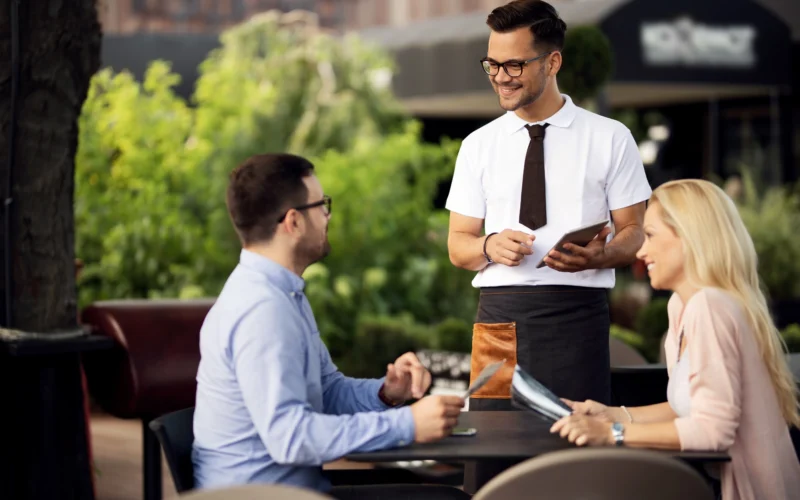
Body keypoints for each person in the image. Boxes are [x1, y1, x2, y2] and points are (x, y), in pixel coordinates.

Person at [192, 153, 469, 500]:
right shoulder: (261, 310)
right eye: (321, 205)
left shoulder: (282, 293)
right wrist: (407, 424)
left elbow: (326, 390)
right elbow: (290, 438)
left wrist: (385, 393)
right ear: (293, 222)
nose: (328, 215)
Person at [446, 1, 651, 417]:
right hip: (498, 316)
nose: (501, 78)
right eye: (492, 65)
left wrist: (601, 254)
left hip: (577, 318)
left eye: (515, 66)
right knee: (492, 448)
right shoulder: (477, 146)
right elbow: (457, 245)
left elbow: (636, 233)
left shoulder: (610, 137)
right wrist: (488, 246)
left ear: (552, 61)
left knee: (576, 447)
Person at [551, 179, 800, 500]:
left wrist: (611, 434)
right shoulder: (682, 305)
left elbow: (713, 430)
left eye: (651, 235)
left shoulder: (709, 306)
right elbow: (692, 406)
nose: (641, 251)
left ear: (690, 237)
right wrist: (612, 414)